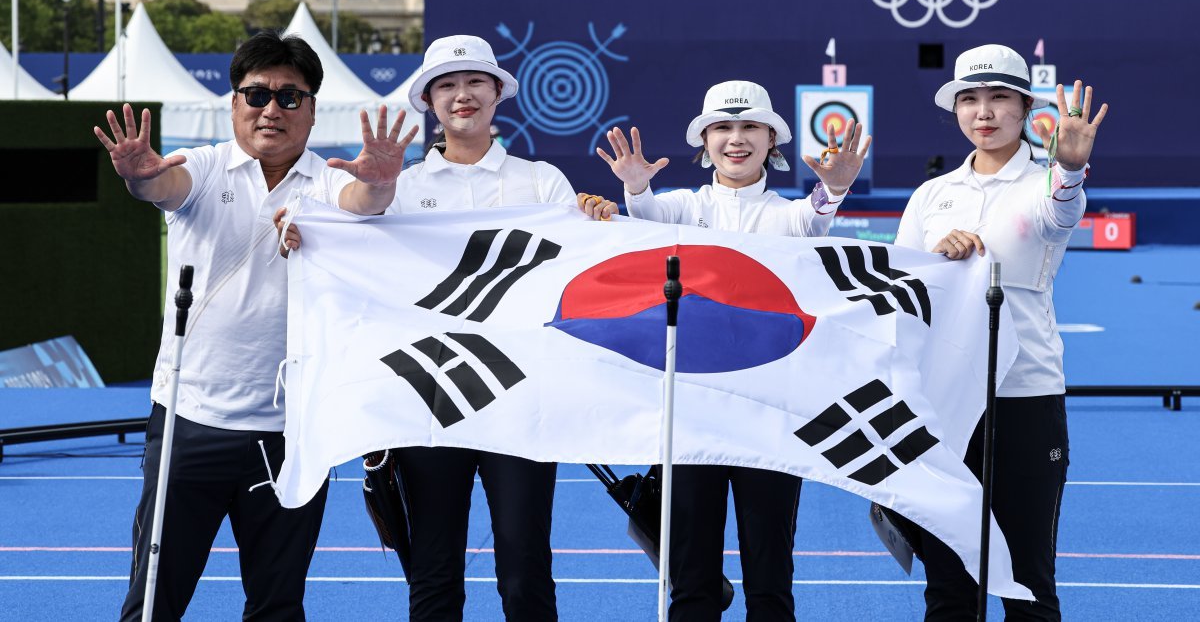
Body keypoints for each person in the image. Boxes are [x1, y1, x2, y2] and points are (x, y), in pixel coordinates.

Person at [278, 34, 612, 622]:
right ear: (430, 101)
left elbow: (581, 271)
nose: (463, 95)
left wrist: (602, 219)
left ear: (497, 94)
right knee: (433, 575)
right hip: (429, 398)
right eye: (448, 85)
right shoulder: (399, 188)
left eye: (475, 82)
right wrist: (307, 227)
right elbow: (351, 239)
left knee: (525, 569)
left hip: (524, 400)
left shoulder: (543, 182)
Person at [97, 31, 416, 621]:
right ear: (234, 103)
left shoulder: (327, 181)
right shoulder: (206, 165)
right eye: (257, 95)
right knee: (153, 601)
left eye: (290, 98)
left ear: (313, 110)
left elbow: (360, 203)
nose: (272, 110)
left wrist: (379, 181)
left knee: (277, 603)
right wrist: (138, 176)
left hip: (292, 430)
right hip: (190, 420)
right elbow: (162, 186)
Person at [595, 80, 871, 621]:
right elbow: (643, 223)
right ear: (704, 141)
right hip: (689, 420)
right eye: (723, 127)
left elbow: (814, 217)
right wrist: (632, 191)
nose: (736, 139)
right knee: (692, 586)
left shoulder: (789, 216)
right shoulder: (676, 208)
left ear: (773, 140)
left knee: (770, 586)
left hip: (771, 418)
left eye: (750, 128)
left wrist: (833, 191)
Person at [894, 44, 1108, 620]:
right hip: (946, 403)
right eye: (970, 99)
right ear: (956, 110)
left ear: (1023, 109)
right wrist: (936, 259)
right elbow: (899, 294)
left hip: (1026, 397)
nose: (983, 112)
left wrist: (1068, 167)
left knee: (1028, 582)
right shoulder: (931, 196)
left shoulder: (1042, 185)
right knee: (948, 587)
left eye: (998, 99)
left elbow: (1061, 212)